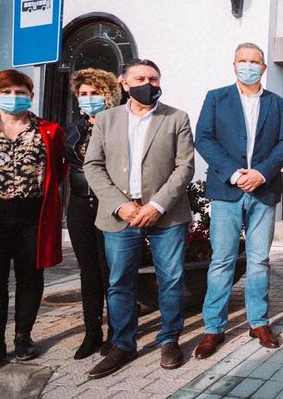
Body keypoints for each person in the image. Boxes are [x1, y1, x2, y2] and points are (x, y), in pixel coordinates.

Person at [84, 59, 195, 378]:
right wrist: (120, 205)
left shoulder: (177, 118)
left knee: (171, 279)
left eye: (154, 78)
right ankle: (123, 344)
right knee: (119, 281)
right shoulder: (106, 119)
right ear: (124, 84)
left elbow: (184, 166)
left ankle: (170, 339)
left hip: (165, 214)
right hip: (121, 215)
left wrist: (157, 205)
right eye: (141, 78)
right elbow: (93, 165)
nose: (149, 83)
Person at [193, 43, 283, 359]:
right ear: (233, 64)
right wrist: (234, 174)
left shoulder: (277, 104)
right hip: (227, 190)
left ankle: (259, 322)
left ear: (263, 68)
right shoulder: (216, 98)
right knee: (222, 260)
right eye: (242, 61)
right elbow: (204, 138)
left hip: (263, 190)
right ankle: (213, 328)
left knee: (260, 259)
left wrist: (261, 173)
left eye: (254, 62)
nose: (248, 65)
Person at [0, 69, 66, 379]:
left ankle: (23, 338)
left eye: (20, 92)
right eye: (6, 92)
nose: (14, 97)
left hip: (33, 216)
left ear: (31, 96)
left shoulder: (49, 130)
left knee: (31, 275)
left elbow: (59, 170)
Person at [65, 68, 122, 359]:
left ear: (108, 95)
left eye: (95, 93)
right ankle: (92, 331)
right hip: (78, 204)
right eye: (84, 94)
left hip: (109, 205)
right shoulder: (74, 127)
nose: (88, 99)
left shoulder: (119, 124)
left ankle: (117, 331)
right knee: (88, 271)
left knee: (110, 270)